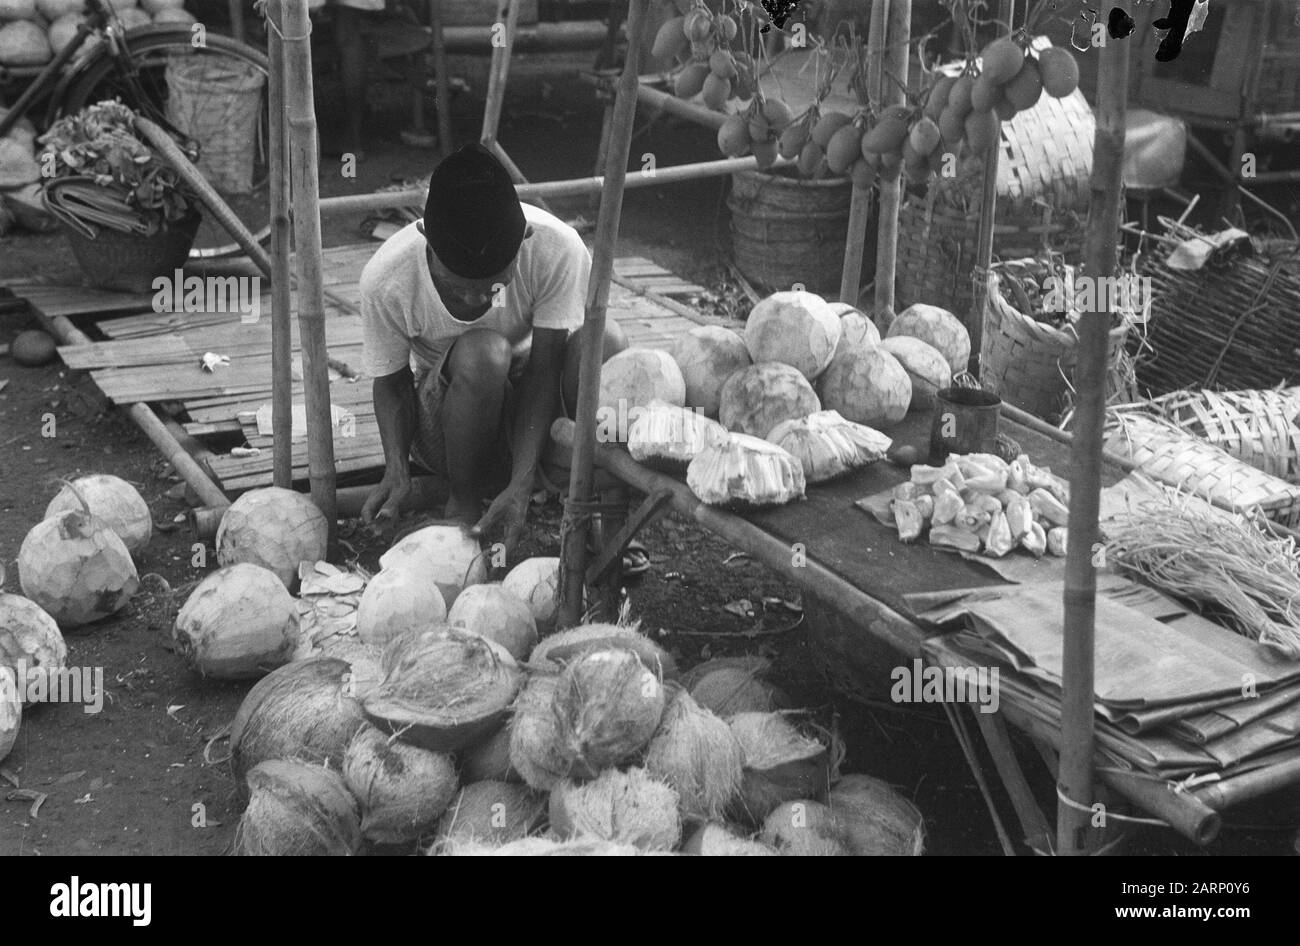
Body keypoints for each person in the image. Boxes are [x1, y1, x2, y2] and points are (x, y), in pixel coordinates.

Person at [359, 143, 627, 554]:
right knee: (487, 354)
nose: (473, 300)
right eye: (456, 285)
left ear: (525, 239)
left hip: (533, 412)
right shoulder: (387, 277)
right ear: (425, 238)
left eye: (491, 285)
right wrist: (396, 467)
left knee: (606, 342)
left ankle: (601, 514)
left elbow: (545, 370)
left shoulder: (558, 248)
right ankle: (463, 506)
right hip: (448, 425)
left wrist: (522, 480)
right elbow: (392, 384)